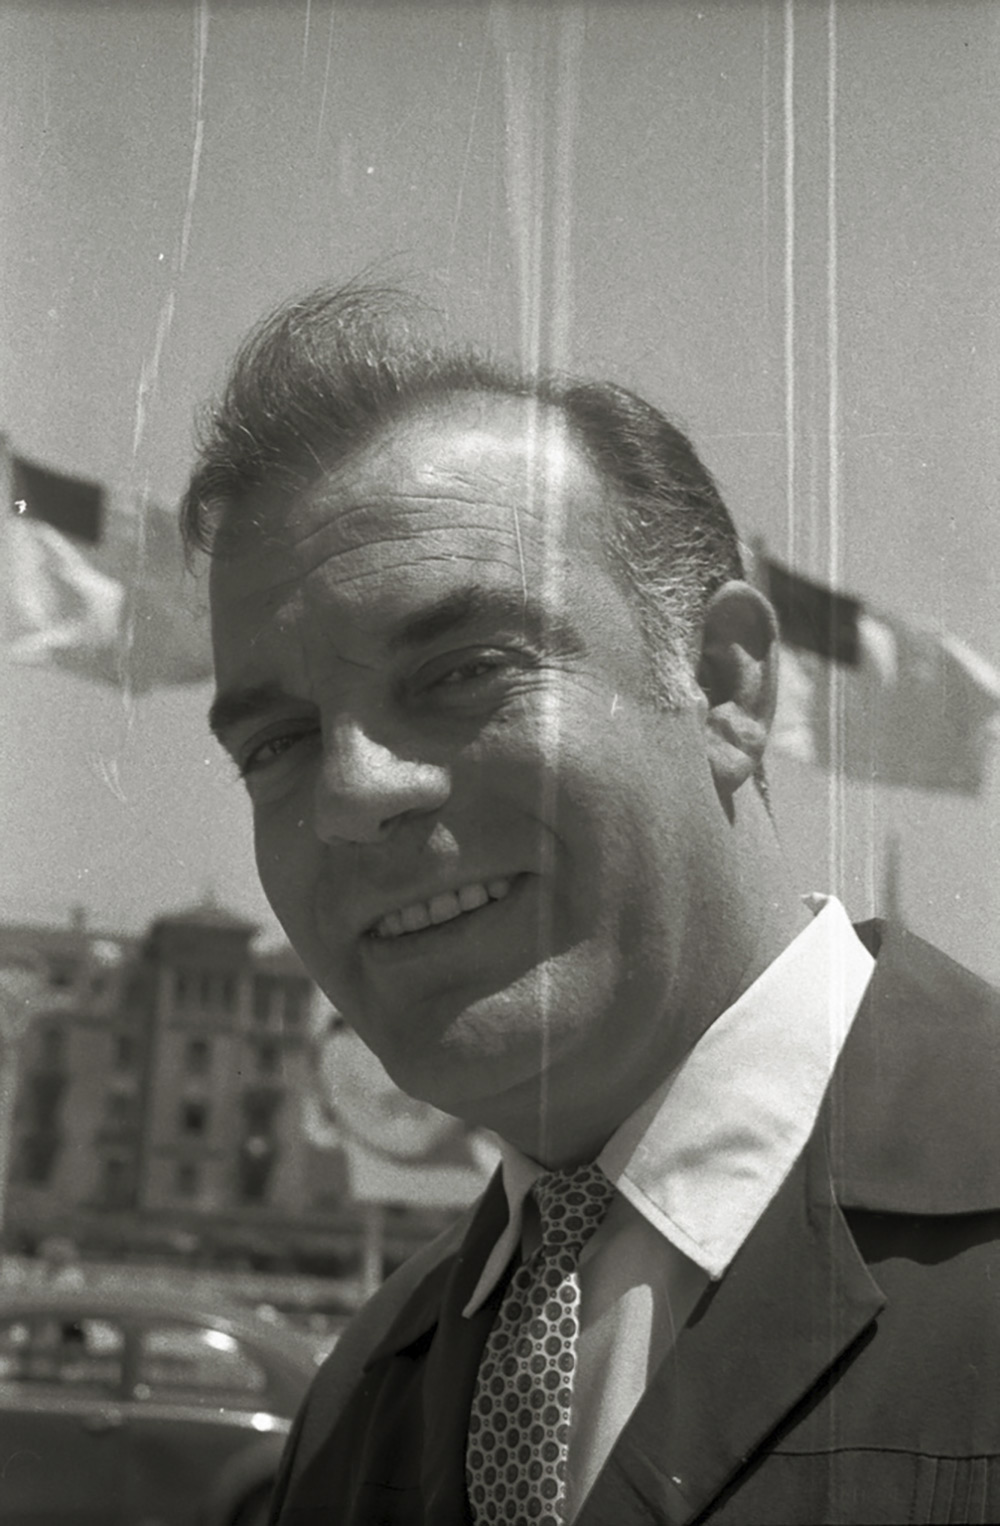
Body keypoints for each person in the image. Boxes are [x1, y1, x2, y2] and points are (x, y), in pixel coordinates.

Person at [184, 284, 1000, 1525]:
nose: (352, 792)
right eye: (277, 743)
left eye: (462, 670)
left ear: (724, 686)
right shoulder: (361, 1394)